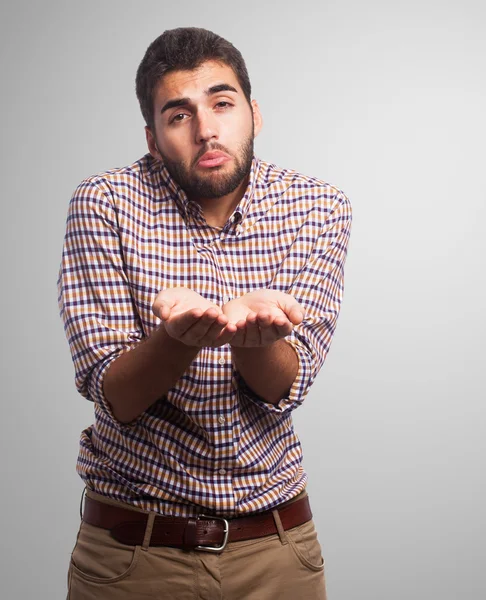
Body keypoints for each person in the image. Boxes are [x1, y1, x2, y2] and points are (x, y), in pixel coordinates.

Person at [58, 26, 352, 600]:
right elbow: (114, 395)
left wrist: (251, 337)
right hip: (132, 555)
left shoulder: (318, 207)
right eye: (179, 115)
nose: (207, 130)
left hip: (274, 551)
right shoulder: (104, 205)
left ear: (254, 113)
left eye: (222, 103)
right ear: (153, 137)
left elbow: (286, 385)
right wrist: (179, 338)